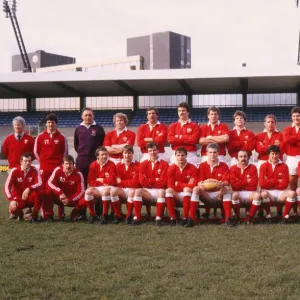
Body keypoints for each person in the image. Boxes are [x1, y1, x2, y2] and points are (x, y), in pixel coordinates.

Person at [34, 113, 68, 221]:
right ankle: (47, 213)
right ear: (46, 123)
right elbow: (36, 152)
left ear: (56, 124)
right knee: (45, 191)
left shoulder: (62, 137)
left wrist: (60, 165)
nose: (50, 124)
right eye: (48, 122)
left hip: (57, 168)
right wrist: (42, 163)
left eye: (52, 122)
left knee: (59, 188)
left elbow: (65, 153)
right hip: (44, 168)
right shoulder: (40, 136)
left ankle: (61, 213)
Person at [190, 143, 231, 227]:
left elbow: (226, 181)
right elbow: (199, 180)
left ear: (218, 153)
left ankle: (228, 218)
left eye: (215, 152)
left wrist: (222, 184)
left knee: (227, 188)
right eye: (210, 152)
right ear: (206, 153)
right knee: (196, 189)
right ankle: (191, 218)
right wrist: (200, 184)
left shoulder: (224, 165)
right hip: (206, 193)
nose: (213, 154)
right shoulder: (202, 165)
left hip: (218, 193)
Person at [47, 155, 97, 221]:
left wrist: (70, 199)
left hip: (72, 199)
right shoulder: (58, 170)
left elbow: (81, 191)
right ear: (62, 165)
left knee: (86, 199)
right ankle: (48, 215)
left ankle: (76, 212)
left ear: (73, 164)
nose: (68, 166)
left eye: (70, 163)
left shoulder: (79, 174)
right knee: (47, 192)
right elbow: (50, 183)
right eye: (66, 164)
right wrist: (60, 192)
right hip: (59, 197)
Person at [132, 141, 169, 226]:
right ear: (147, 152)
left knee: (162, 192)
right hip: (147, 191)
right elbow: (142, 182)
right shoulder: (143, 164)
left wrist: (149, 180)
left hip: (159, 191)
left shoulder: (164, 164)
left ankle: (158, 218)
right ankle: (137, 217)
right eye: (150, 151)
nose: (152, 152)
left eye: (154, 150)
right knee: (137, 191)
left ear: (158, 150)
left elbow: (163, 182)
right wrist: (155, 180)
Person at [260, 145, 296, 223]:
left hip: (281, 192)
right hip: (269, 192)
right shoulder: (263, 166)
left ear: (279, 154)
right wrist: (277, 181)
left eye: (276, 154)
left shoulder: (284, 166)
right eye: (272, 154)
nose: (274, 156)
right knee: (263, 193)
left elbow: (285, 184)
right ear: (268, 154)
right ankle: (269, 215)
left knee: (292, 193)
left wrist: (269, 181)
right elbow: (262, 184)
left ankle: (285, 216)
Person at [4, 152, 42, 222]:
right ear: (21, 161)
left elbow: (39, 183)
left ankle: (34, 216)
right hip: (18, 197)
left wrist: (29, 188)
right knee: (13, 208)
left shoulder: (35, 170)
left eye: (29, 161)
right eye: (25, 161)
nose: (28, 163)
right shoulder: (15, 170)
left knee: (39, 194)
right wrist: (11, 199)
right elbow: (7, 186)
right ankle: (18, 213)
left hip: (29, 196)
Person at [166, 147, 198, 226]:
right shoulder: (171, 168)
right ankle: (173, 218)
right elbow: (170, 185)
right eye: (178, 155)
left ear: (186, 156)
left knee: (187, 189)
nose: (180, 157)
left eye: (182, 155)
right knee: (168, 190)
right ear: (175, 156)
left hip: (188, 194)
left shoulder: (193, 168)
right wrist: (182, 187)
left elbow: (193, 185)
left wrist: (179, 184)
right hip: (176, 194)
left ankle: (185, 217)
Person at [74, 107, 105, 186]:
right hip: (81, 159)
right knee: (81, 181)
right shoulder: (78, 129)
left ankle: (94, 198)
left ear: (93, 116)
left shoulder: (99, 128)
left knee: (95, 181)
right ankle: (81, 197)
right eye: (86, 115)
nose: (88, 117)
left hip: (94, 159)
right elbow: (76, 144)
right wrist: (83, 153)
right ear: (82, 116)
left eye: (90, 115)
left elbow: (102, 144)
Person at [85, 146, 116, 224]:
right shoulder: (93, 165)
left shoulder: (112, 164)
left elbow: (112, 180)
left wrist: (100, 179)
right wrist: (104, 182)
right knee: (88, 191)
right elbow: (91, 181)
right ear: (97, 156)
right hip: (98, 187)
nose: (105, 156)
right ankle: (93, 215)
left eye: (106, 154)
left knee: (106, 191)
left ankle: (104, 215)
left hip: (109, 187)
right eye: (102, 154)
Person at [110, 145, 140, 224]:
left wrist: (121, 181)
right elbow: (115, 181)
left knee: (132, 191)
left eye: (129, 153)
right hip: (122, 190)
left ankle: (129, 215)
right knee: (113, 191)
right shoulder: (117, 166)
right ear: (122, 154)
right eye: (125, 153)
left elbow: (135, 183)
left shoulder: (138, 165)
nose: (127, 155)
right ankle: (117, 215)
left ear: (132, 154)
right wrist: (125, 182)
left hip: (133, 190)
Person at [230, 150, 261, 224]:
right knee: (234, 195)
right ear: (237, 158)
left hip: (250, 193)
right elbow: (234, 185)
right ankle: (237, 217)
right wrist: (246, 182)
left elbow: (253, 185)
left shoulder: (253, 168)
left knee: (257, 195)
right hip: (238, 193)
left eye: (245, 156)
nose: (243, 158)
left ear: (248, 157)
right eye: (240, 156)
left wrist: (239, 182)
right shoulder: (233, 168)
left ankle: (250, 217)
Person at [168, 102, 201, 167]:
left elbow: (193, 140)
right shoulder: (172, 126)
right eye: (179, 111)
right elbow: (170, 140)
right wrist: (187, 138)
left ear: (188, 112)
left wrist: (179, 137)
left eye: (183, 110)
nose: (181, 112)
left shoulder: (195, 126)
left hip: (190, 154)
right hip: (176, 153)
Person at [283, 106, 300, 191]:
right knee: (292, 181)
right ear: (291, 117)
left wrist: (293, 139)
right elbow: (286, 140)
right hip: (291, 158)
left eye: (298, 115)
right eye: (294, 116)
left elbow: (290, 140)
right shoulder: (287, 129)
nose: (296, 118)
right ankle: (294, 202)